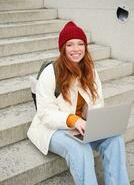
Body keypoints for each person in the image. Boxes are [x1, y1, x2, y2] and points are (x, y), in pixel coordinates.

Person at [27, 21, 130, 185]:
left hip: (83, 127)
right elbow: (45, 113)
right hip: (53, 129)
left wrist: (96, 122)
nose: (76, 49)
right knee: (80, 149)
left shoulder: (90, 70)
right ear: (63, 48)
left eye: (80, 43)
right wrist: (73, 120)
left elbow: (97, 102)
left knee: (114, 138)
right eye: (70, 45)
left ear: (85, 47)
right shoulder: (50, 73)